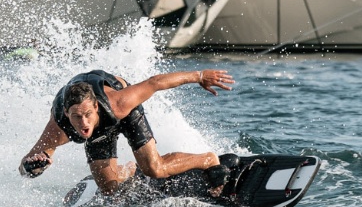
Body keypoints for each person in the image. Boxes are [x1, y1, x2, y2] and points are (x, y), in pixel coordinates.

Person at [18, 67, 236, 196]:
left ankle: (207, 159)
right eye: (76, 117)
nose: (83, 123)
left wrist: (199, 75)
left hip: (123, 113)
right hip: (98, 126)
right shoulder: (58, 128)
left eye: (87, 115)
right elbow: (25, 168)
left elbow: (156, 82)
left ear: (95, 108)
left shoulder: (119, 103)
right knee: (109, 191)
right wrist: (34, 167)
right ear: (66, 114)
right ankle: (129, 170)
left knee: (154, 169)